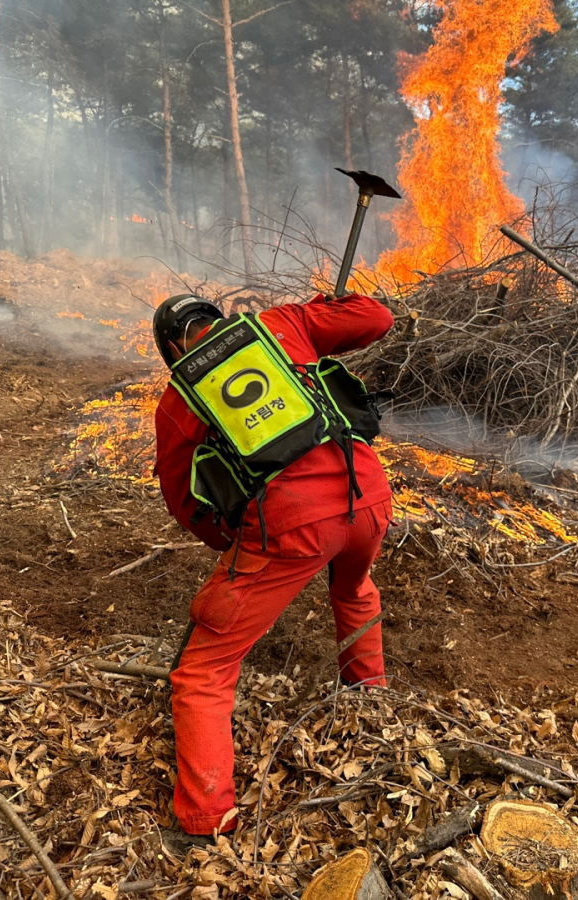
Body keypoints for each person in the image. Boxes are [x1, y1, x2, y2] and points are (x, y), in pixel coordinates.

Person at [152, 291, 395, 849]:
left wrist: (232, 542)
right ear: (217, 318)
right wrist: (328, 303)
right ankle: (374, 704)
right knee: (354, 587)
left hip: (292, 523)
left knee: (203, 671)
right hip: (371, 497)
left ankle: (204, 822)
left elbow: (184, 501)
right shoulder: (277, 323)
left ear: (171, 348)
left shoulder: (180, 396)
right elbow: (377, 318)